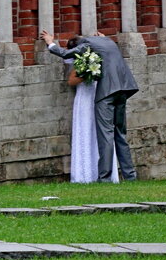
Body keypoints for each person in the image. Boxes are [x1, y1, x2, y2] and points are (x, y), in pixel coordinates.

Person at [41, 29, 139, 182]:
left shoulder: (87, 44)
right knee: (120, 134)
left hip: (107, 92)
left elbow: (65, 54)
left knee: (105, 135)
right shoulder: (107, 41)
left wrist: (50, 43)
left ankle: (105, 178)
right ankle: (130, 176)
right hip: (124, 88)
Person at [62, 35, 119, 183]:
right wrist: (89, 72)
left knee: (103, 133)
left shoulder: (97, 56)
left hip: (99, 94)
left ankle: (107, 173)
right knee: (85, 131)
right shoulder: (82, 60)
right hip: (84, 99)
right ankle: (85, 174)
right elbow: (72, 80)